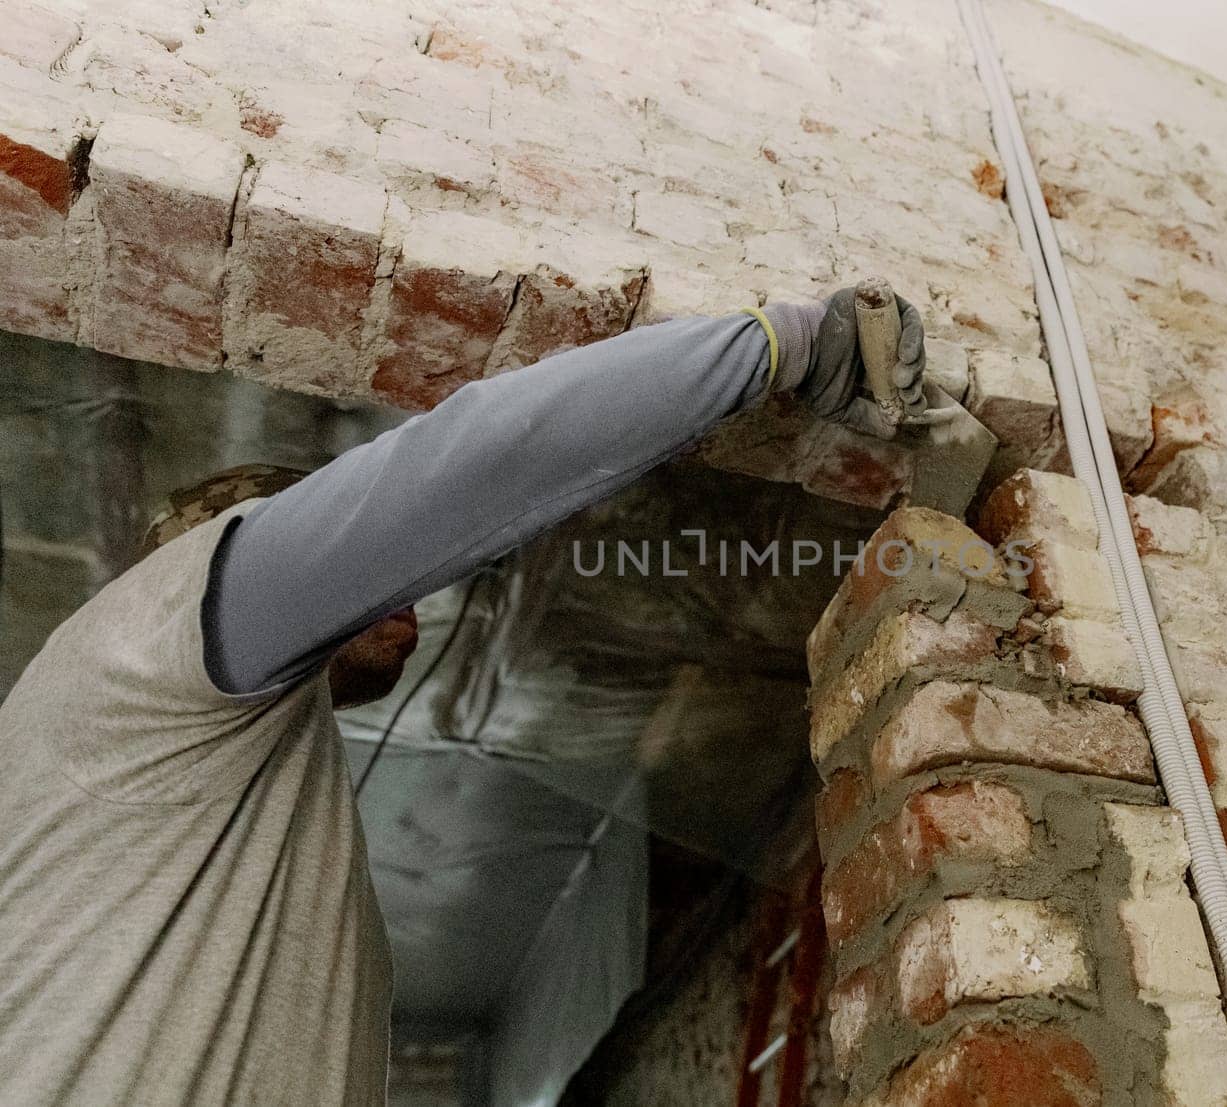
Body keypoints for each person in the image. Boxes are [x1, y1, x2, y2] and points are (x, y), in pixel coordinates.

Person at [0, 288, 927, 1104]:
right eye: (356, 575)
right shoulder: (158, 623)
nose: (410, 594)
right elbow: (480, 459)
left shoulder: (147, 787)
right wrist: (791, 342)